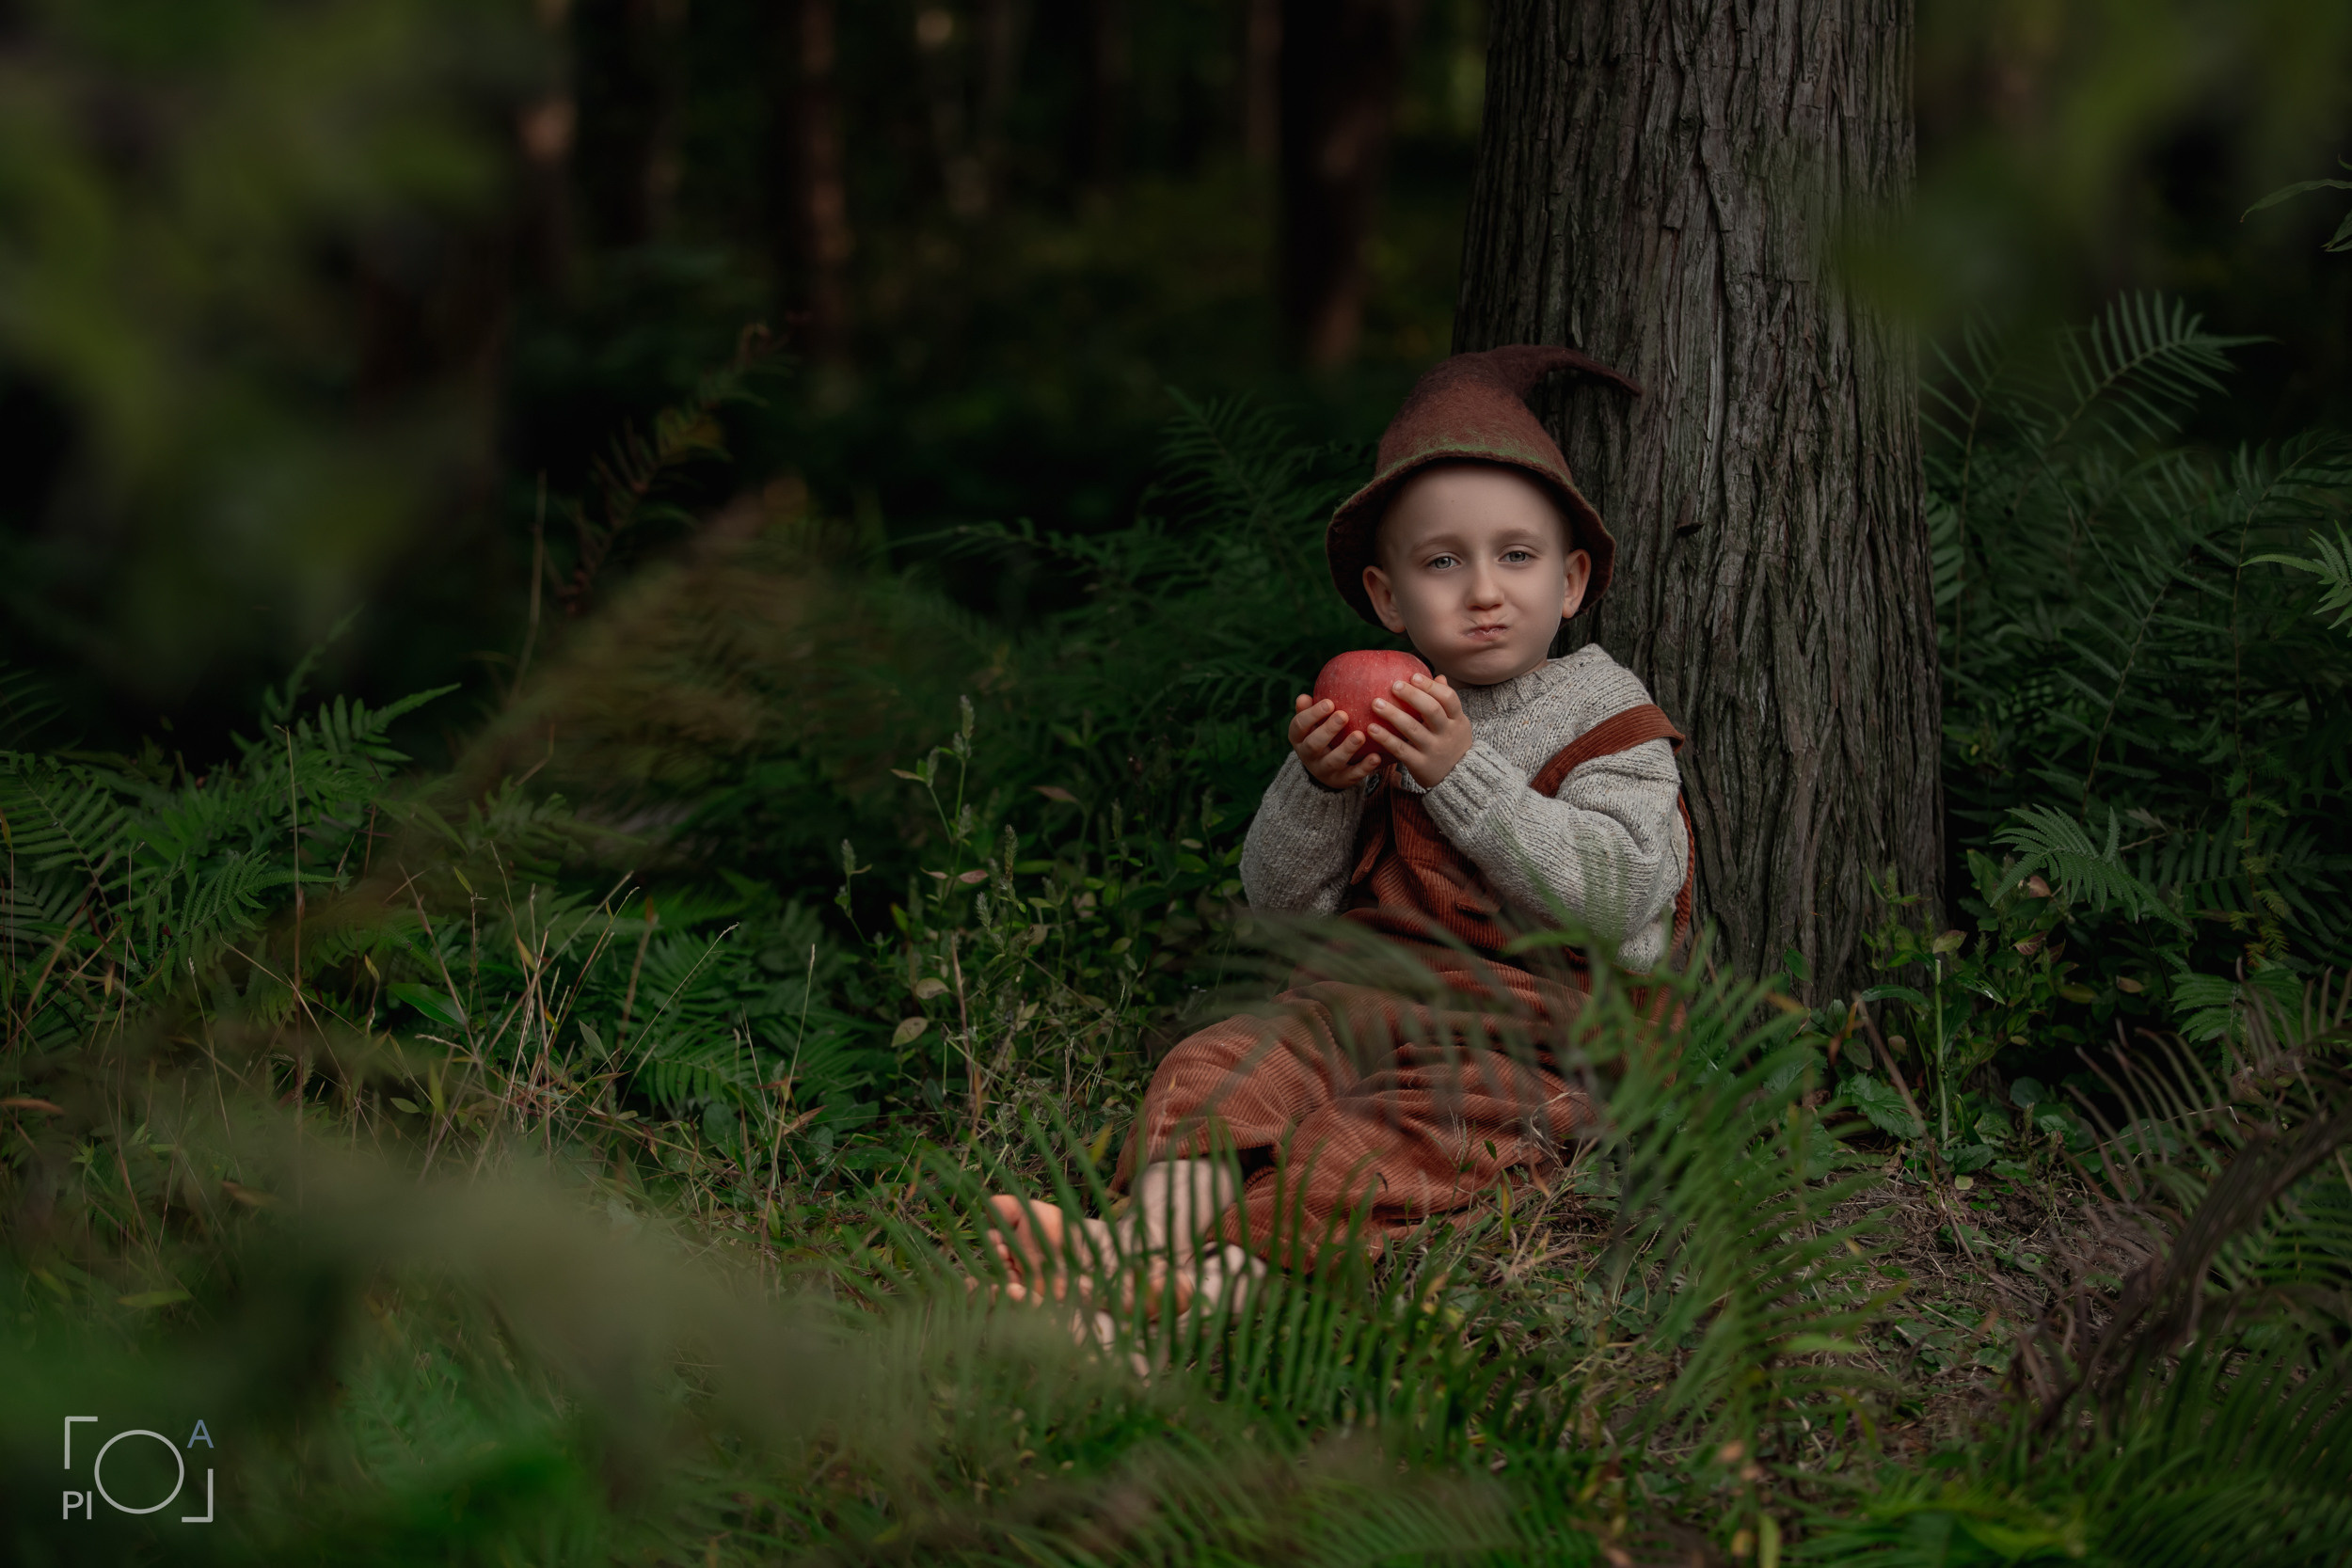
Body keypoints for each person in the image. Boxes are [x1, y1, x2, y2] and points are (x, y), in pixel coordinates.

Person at [984, 345, 1693, 1321]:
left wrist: (1461, 774)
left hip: (1525, 1039)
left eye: (1516, 555)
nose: (1483, 588)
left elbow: (1619, 893)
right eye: (1442, 560)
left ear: (1573, 581)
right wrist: (1318, 784)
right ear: (1388, 596)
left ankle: (1203, 1290)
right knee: (1219, 1068)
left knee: (1362, 1155)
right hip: (1356, 997)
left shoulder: (1605, 716)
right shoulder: (1375, 707)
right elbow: (1282, 902)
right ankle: (1132, 1243)